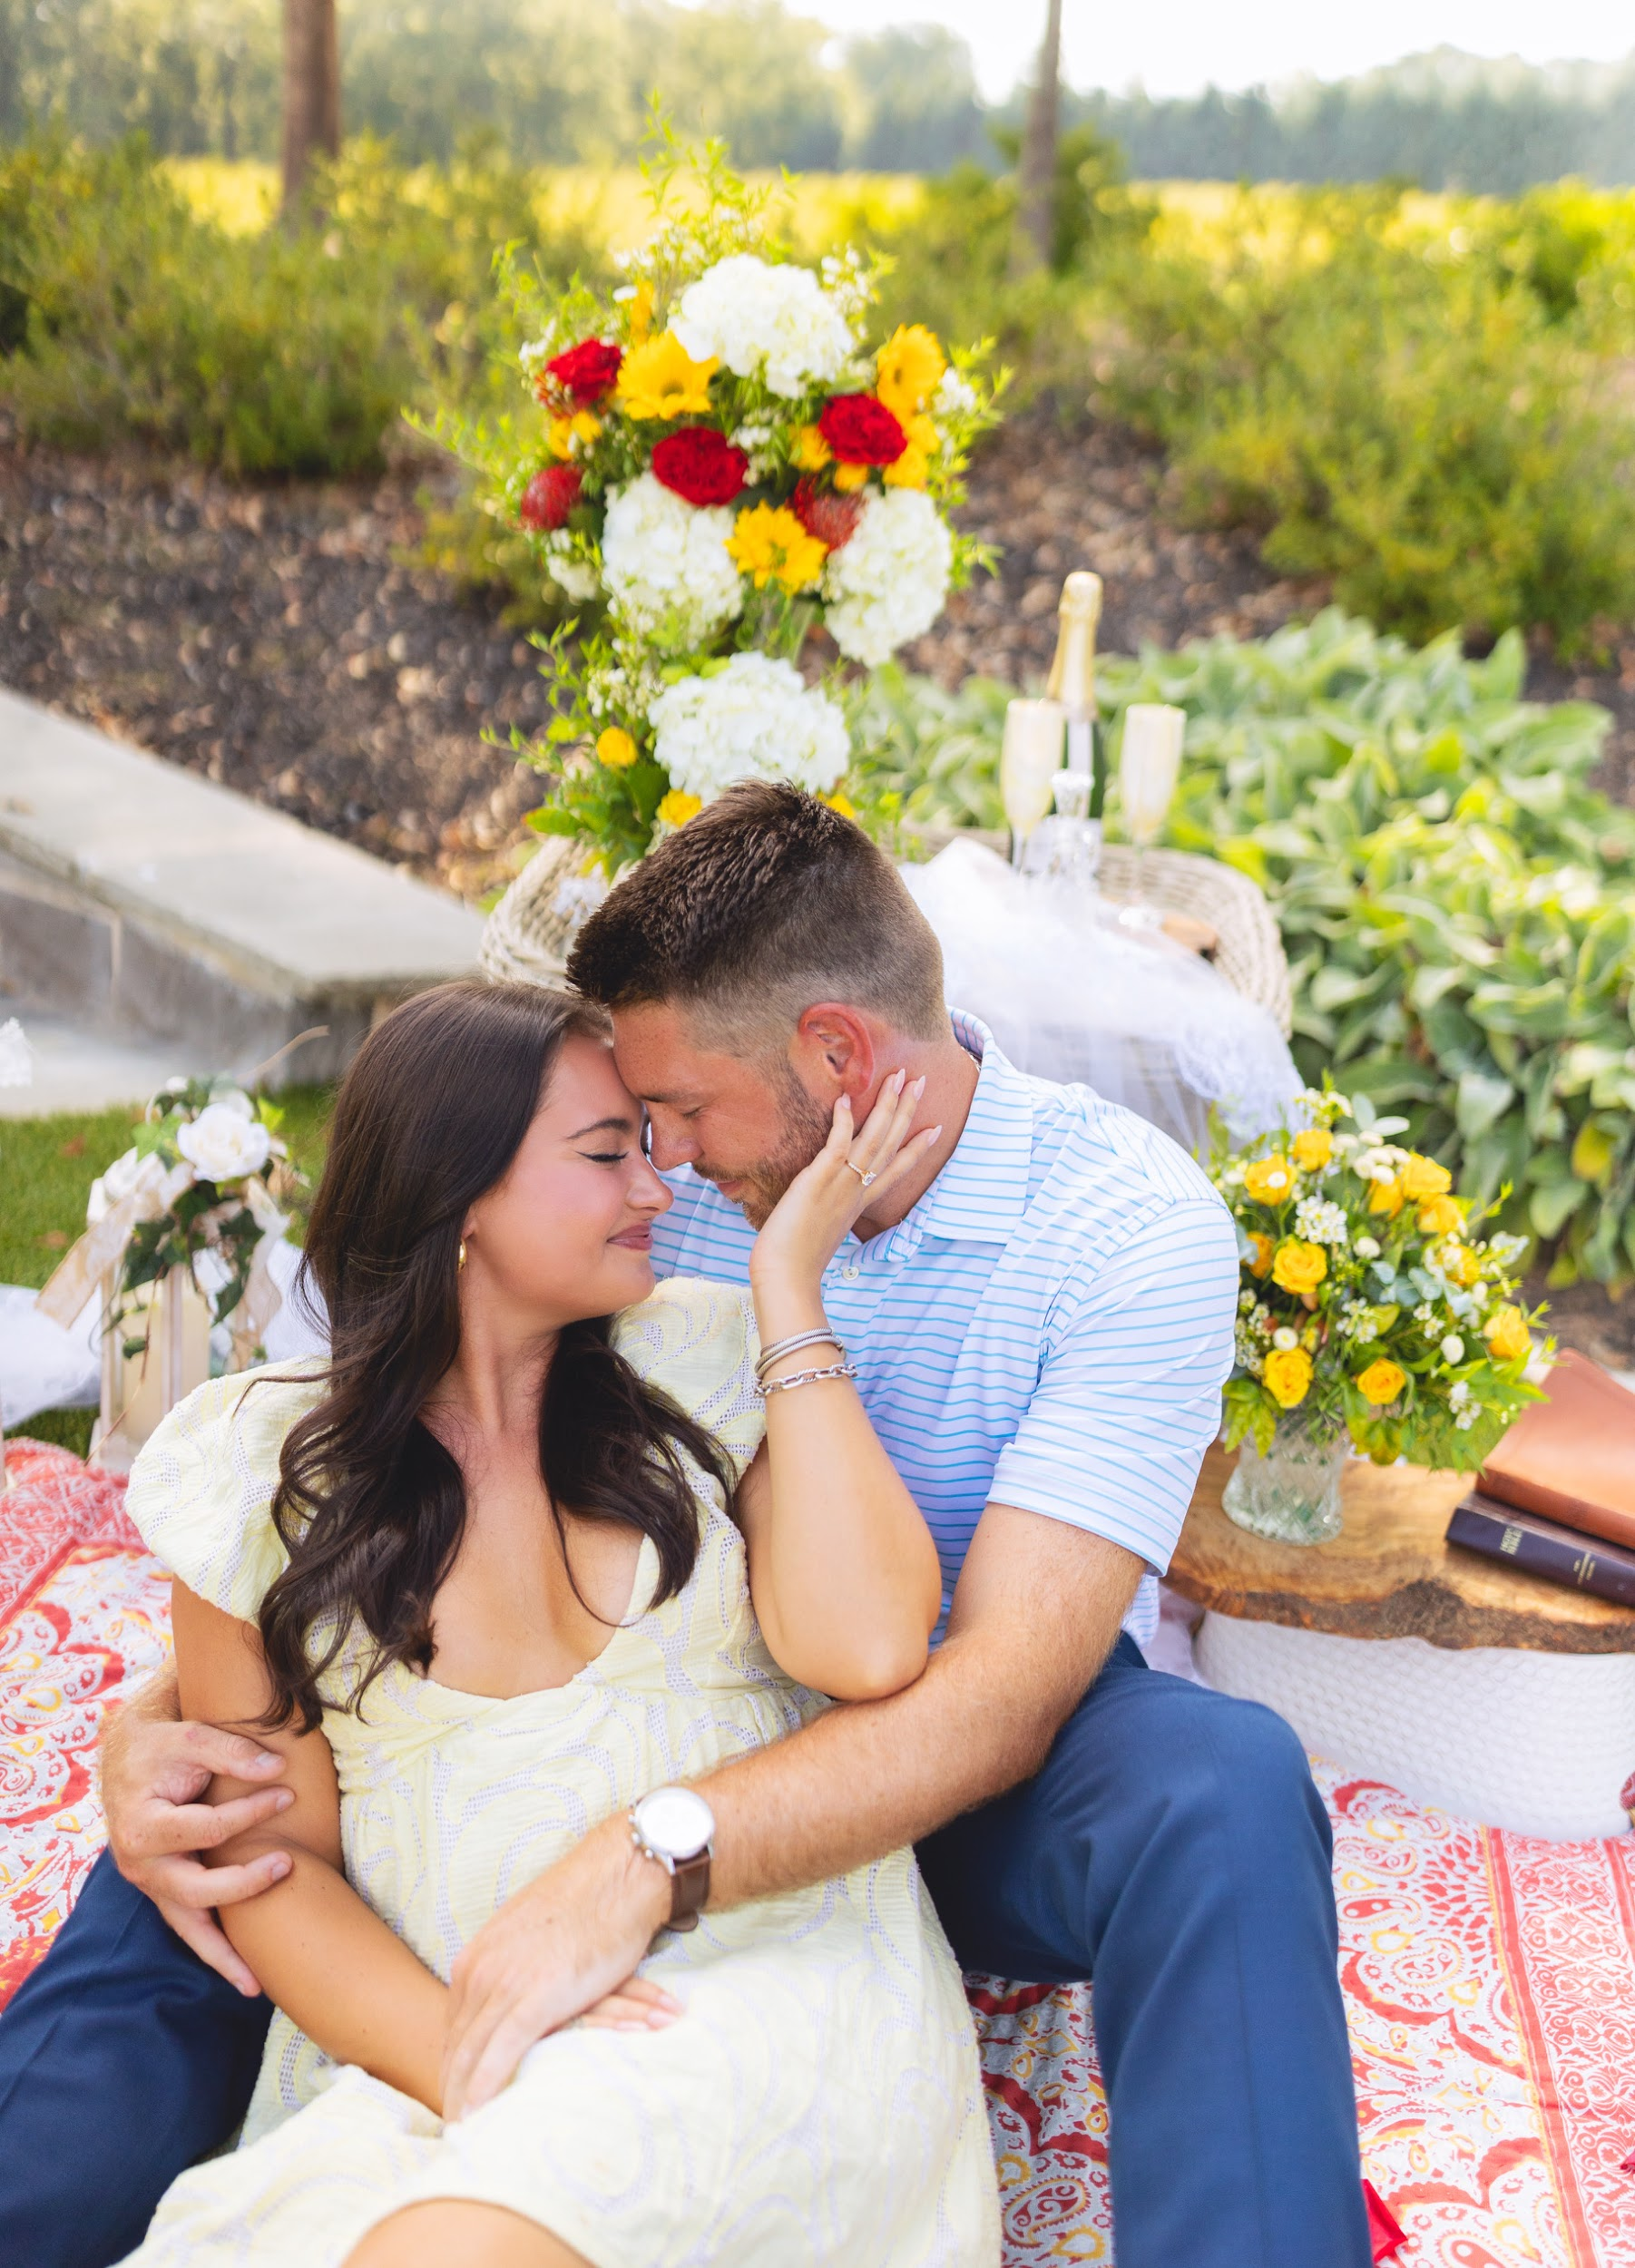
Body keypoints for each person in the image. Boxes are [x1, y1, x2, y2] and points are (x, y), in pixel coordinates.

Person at [0, 787, 1369, 2268]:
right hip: (543, 1716)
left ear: (836, 1055)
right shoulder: (655, 1186)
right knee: (218, 1834)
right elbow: (353, 1439)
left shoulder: (1121, 1224)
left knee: (1218, 1781)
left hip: (947, 1721)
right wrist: (167, 1710)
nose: (663, 1162)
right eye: (628, 1132)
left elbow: (999, 1691)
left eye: (680, 1120)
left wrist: (651, 1852)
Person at [108, 978, 1001, 2265]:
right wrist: (468, 2062)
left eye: (648, 1144)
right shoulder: (250, 1472)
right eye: (605, 1155)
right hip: (441, 2061)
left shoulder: (706, 1360)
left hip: (755, 1998)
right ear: (455, 1197)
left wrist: (790, 1294)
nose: (657, 1190)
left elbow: (868, 1647)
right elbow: (271, 1866)